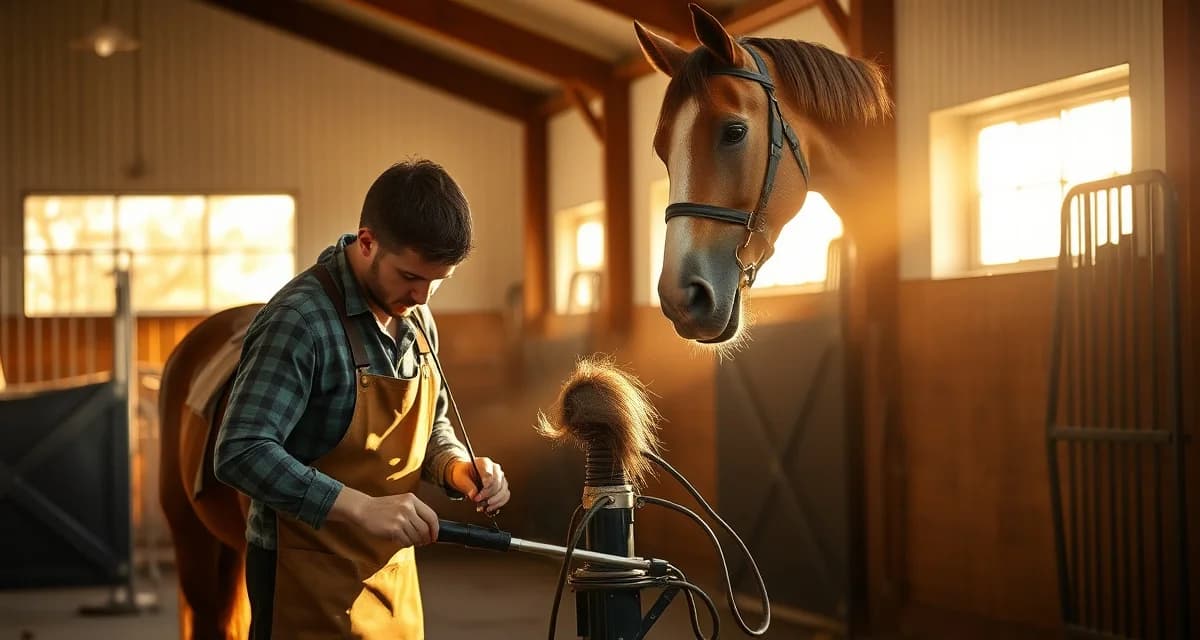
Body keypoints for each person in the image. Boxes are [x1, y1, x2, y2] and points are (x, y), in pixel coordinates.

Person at [214, 159, 510, 639]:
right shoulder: (300, 321)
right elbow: (240, 451)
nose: (422, 296)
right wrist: (360, 507)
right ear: (367, 241)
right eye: (411, 276)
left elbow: (430, 425)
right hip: (301, 574)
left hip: (390, 573)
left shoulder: (416, 316)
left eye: (438, 282)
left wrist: (459, 468)